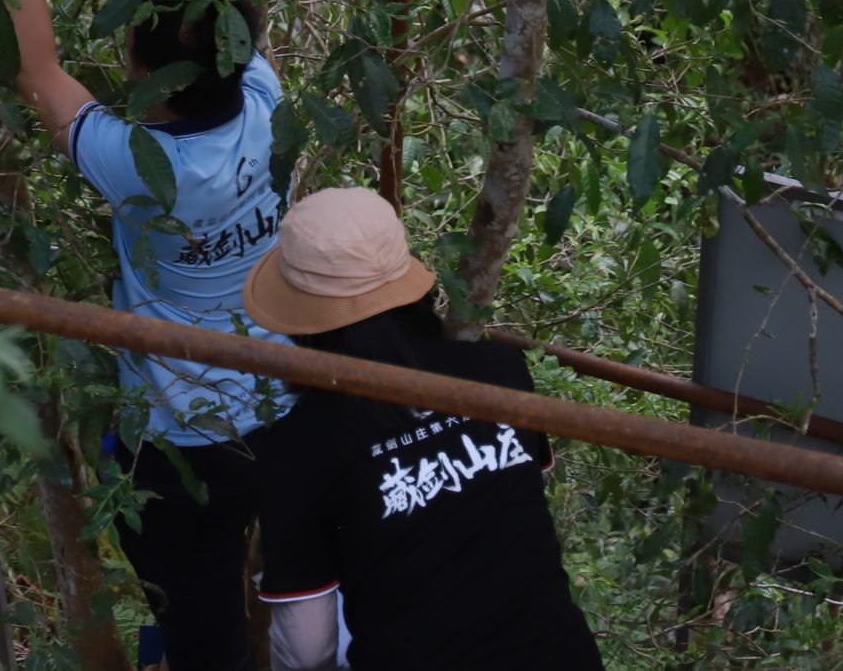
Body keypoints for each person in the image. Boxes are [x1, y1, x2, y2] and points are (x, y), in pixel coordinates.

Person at [0, 0, 290, 671]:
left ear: (149, 75)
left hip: (179, 437)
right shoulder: (263, 104)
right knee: (272, 579)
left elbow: (35, 66)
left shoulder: (141, 167)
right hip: (279, 404)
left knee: (197, 612)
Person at [241, 187, 605, 671]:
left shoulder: (295, 448)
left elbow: (308, 652)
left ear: (303, 316)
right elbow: (516, 495)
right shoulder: (503, 371)